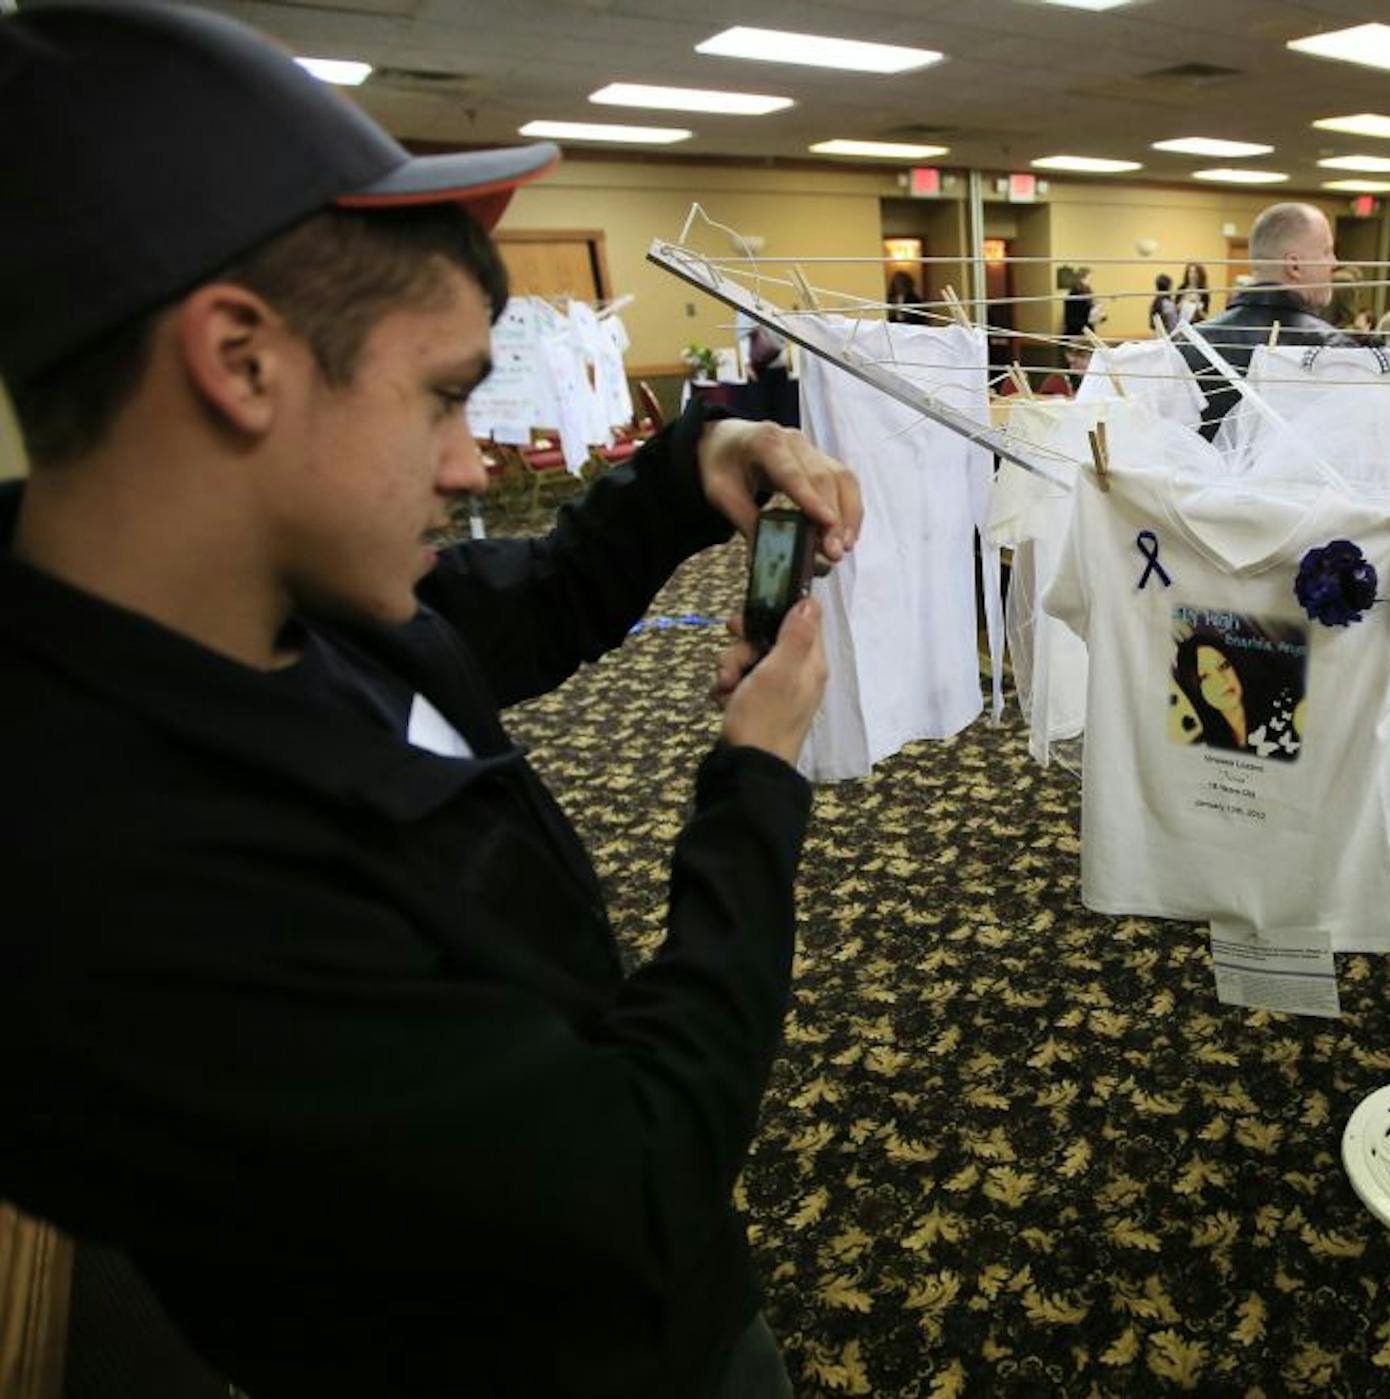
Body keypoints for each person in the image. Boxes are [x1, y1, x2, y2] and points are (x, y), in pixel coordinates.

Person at [0, 7, 865, 1398]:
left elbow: (510, 611)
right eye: (442, 398)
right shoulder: (113, 885)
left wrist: (693, 462)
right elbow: (633, 1173)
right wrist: (755, 778)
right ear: (240, 363)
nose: (472, 465)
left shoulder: (279, 611)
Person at [1177, 201, 1348, 441]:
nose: (1334, 263)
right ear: (1295, 265)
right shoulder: (1333, 349)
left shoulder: (1188, 343)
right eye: (1326, 251)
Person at [1169, 628, 1301, 761]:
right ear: (1194, 688)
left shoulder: (1283, 706)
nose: (1222, 680)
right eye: (1204, 676)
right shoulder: (1208, 744)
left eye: (1223, 666)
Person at [1062, 265, 1096, 340]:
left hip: (1083, 325)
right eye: (1089, 278)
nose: (1090, 280)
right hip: (1077, 326)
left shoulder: (1085, 290)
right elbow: (1079, 310)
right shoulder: (1076, 291)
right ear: (1082, 278)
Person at [1148, 272, 1179, 336]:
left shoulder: (1155, 303)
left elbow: (1152, 325)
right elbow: (1173, 325)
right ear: (1169, 288)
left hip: (1156, 335)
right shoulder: (1168, 304)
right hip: (1168, 337)